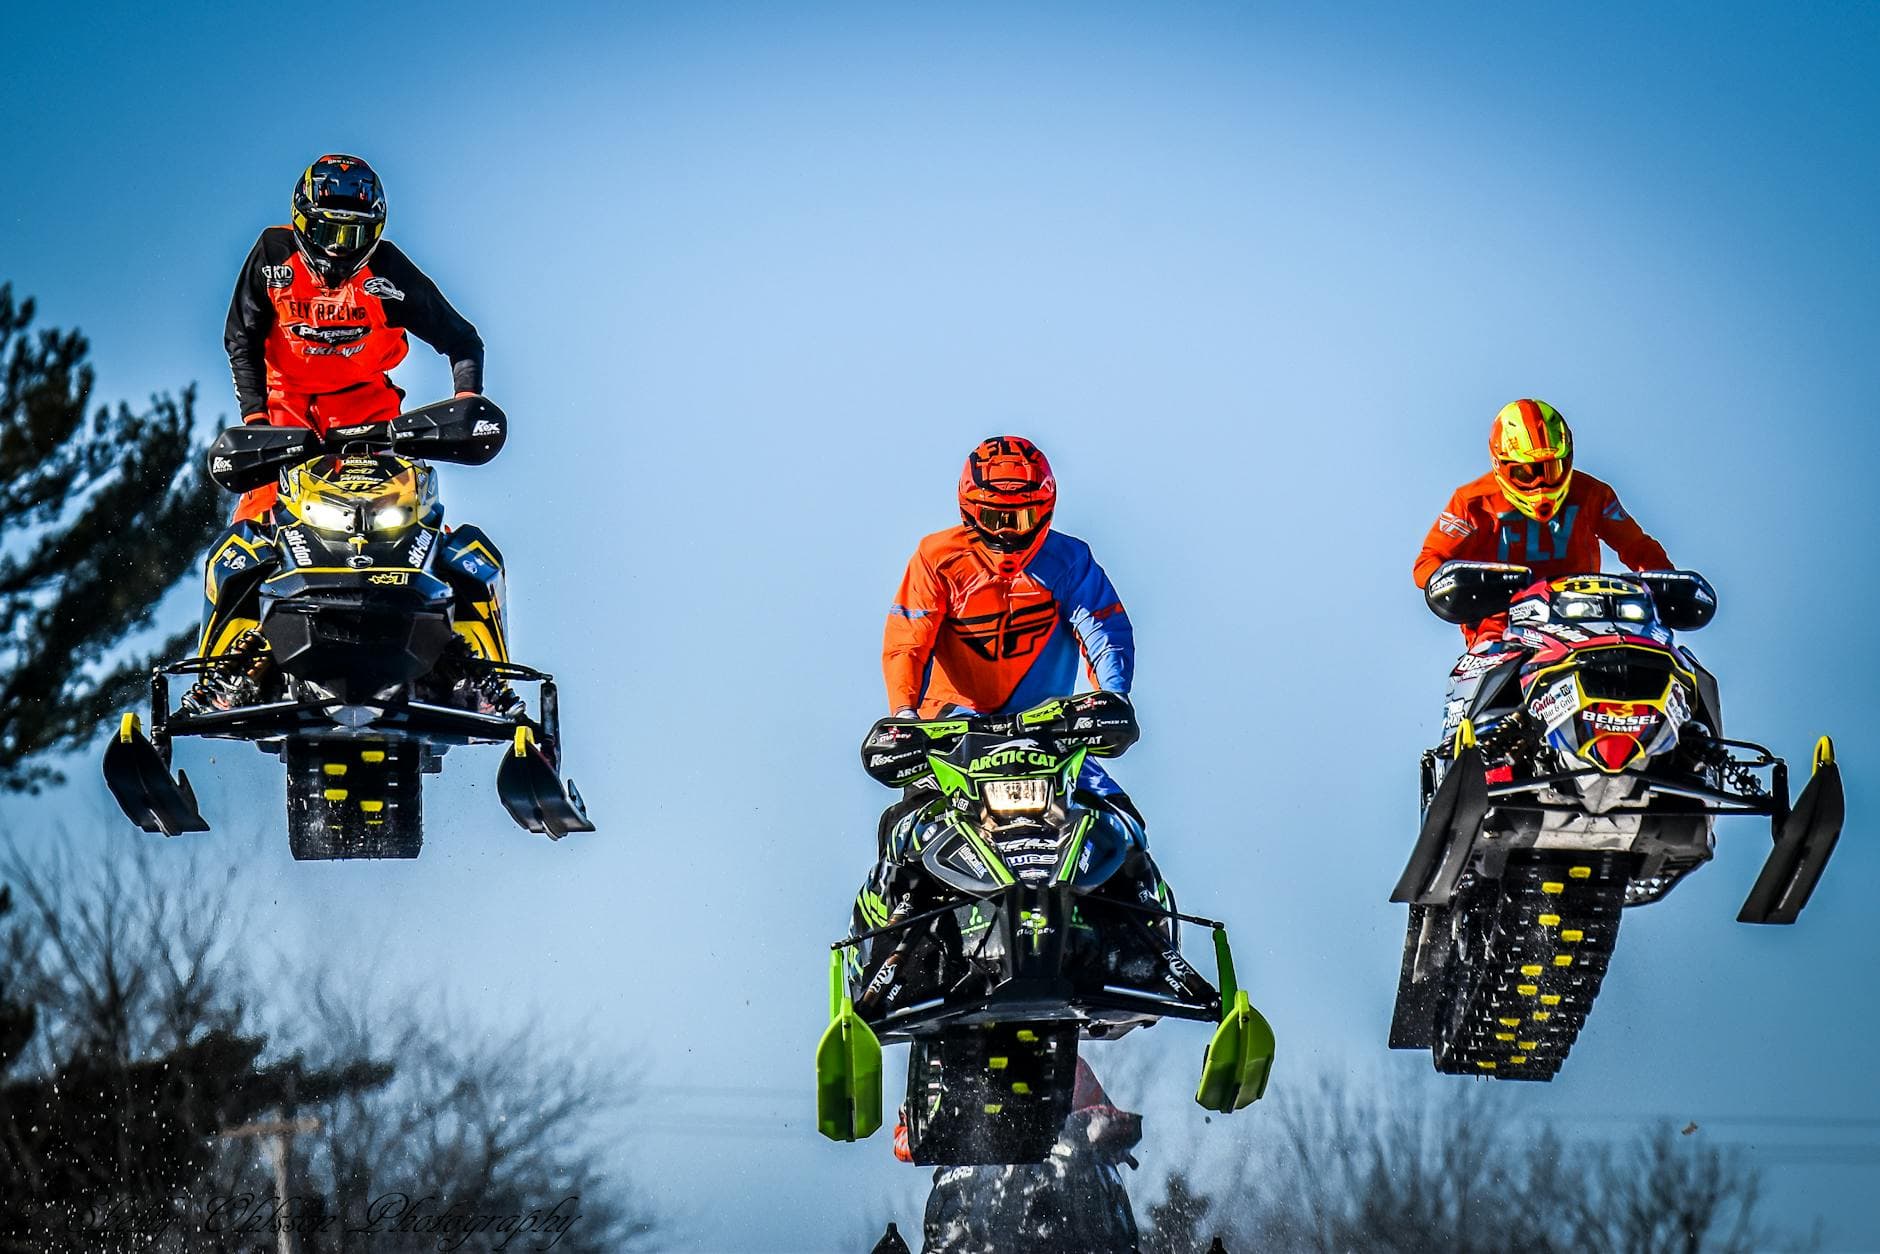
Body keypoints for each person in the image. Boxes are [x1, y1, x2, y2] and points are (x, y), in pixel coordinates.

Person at [182, 155, 504, 715]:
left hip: (372, 417)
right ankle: (225, 674)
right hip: (287, 421)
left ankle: (470, 669)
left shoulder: (390, 272)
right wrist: (256, 420)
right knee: (246, 540)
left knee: (432, 528)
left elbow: (462, 339)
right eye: (327, 229)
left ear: (374, 231)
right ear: (302, 222)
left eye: (353, 233)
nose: (338, 246)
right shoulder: (272, 257)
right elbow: (242, 337)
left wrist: (464, 403)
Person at [1413, 398, 1673, 745]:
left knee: (1665, 652)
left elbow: (1637, 547)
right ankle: (1481, 751)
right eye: (1525, 472)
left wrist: (1666, 583)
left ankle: (1692, 745)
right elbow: (1429, 561)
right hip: (1502, 624)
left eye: (1549, 469)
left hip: (1583, 618)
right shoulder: (1471, 502)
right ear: (1500, 465)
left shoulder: (1593, 493)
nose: (1539, 484)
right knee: (1487, 668)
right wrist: (1454, 584)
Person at [907, 1058, 1144, 1254]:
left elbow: (1108, 1121)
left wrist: (1085, 1135)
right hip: (971, 1208)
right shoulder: (953, 1068)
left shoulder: (1065, 1065)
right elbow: (909, 1135)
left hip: (1054, 1207)